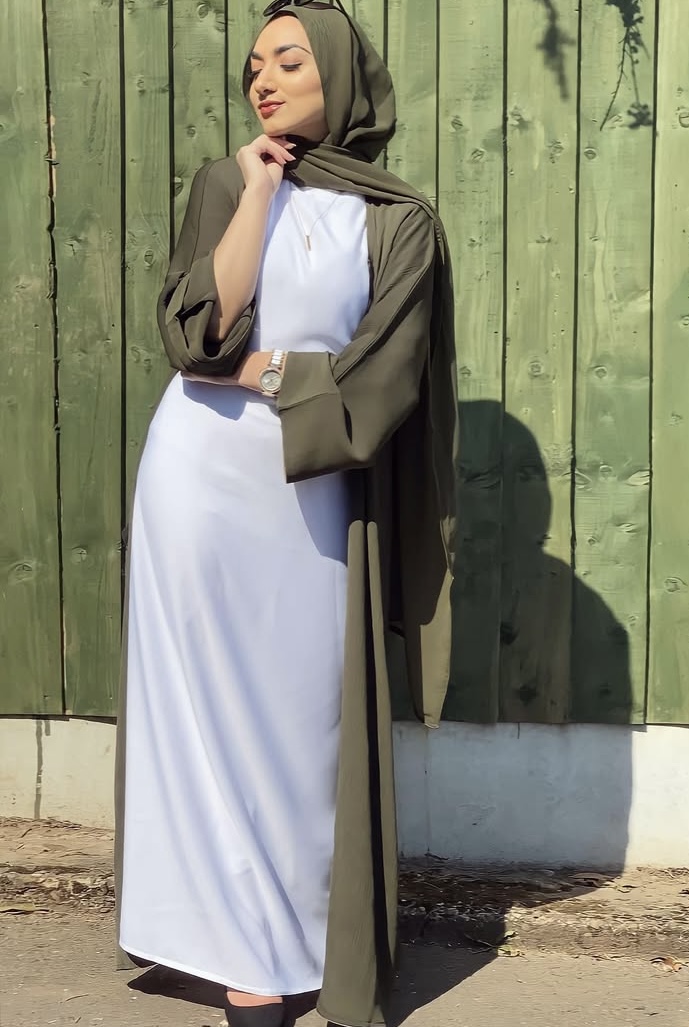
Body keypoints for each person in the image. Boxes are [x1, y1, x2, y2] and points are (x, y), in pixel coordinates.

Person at [112, 3, 457, 1026]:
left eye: (289, 60)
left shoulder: (401, 222)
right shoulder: (228, 183)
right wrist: (258, 191)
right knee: (199, 714)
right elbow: (197, 332)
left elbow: (383, 379)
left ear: (340, 75)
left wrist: (267, 372)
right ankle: (235, 947)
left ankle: (301, 935)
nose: (263, 79)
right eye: (255, 64)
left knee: (301, 720)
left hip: (309, 487)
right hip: (193, 480)